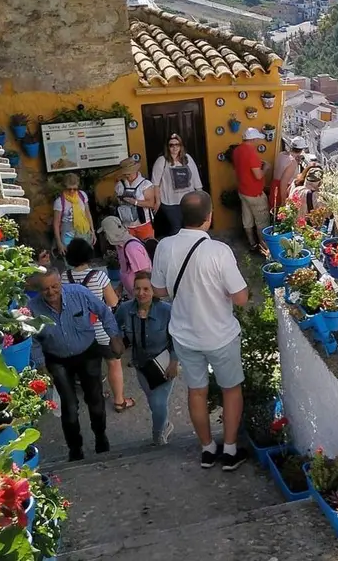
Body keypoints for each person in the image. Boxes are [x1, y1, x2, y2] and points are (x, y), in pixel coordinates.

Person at [151, 190, 251, 471]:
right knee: (231, 389)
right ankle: (230, 451)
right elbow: (241, 297)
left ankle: (207, 450)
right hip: (220, 334)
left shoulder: (164, 247)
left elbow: (158, 290)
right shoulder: (218, 251)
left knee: (196, 391)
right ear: (209, 217)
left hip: (184, 335)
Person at [28, 268, 123, 461]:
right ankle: (75, 448)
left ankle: (100, 437)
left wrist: (114, 336)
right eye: (46, 289)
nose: (51, 292)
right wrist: (40, 366)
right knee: (69, 407)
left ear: (60, 283)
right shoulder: (33, 308)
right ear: (39, 290)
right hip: (57, 359)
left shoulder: (79, 293)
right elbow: (33, 339)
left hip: (87, 353)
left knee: (95, 400)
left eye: (55, 286)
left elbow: (104, 311)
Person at [63, 237, 134, 413]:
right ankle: (119, 401)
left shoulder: (64, 277)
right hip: (102, 331)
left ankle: (96, 397)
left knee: (90, 367)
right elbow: (111, 302)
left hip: (79, 333)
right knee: (113, 363)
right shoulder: (99, 276)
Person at [114, 272, 178, 446]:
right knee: (153, 401)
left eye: (146, 289)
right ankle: (165, 424)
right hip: (141, 365)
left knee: (158, 403)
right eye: (137, 288)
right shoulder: (126, 309)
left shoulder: (167, 311)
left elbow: (178, 337)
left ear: (154, 290)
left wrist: (174, 361)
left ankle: (158, 437)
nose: (141, 293)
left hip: (163, 364)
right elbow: (114, 325)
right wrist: (118, 340)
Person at [151, 133, 203, 239]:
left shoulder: (187, 159)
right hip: (170, 203)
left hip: (188, 202)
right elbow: (155, 183)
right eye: (171, 145)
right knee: (176, 230)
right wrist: (157, 201)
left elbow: (196, 178)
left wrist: (201, 197)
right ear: (167, 147)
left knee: (190, 229)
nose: (174, 147)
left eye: (177, 144)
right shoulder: (162, 161)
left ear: (181, 146)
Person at [232, 128, 271, 251]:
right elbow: (258, 175)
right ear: (253, 139)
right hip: (255, 194)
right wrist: (266, 167)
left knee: (247, 219)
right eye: (257, 139)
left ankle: (252, 243)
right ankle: (264, 248)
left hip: (243, 191)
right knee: (262, 222)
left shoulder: (237, 150)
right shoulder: (251, 153)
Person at [100, 216, 152, 299]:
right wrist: (121, 286)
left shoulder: (131, 248)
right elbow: (126, 270)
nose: (105, 237)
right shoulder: (120, 245)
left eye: (105, 233)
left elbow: (144, 274)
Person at [114, 157, 158, 241]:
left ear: (135, 171)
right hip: (126, 225)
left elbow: (151, 204)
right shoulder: (120, 185)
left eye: (129, 173)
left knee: (148, 248)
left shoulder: (145, 184)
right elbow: (117, 200)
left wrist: (135, 202)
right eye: (125, 174)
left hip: (143, 224)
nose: (127, 176)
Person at [52, 173, 95, 257]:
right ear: (64, 188)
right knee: (71, 257)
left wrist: (92, 231)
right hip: (68, 232)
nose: (72, 191)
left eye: (74, 189)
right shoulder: (59, 202)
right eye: (69, 189)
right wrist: (59, 243)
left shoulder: (82, 195)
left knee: (85, 257)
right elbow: (56, 224)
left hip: (83, 230)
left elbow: (87, 213)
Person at [271, 136, 306, 213]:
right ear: (301, 150)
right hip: (282, 190)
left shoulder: (281, 154)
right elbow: (283, 182)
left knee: (273, 211)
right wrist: (284, 201)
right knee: (280, 213)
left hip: (274, 186)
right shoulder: (292, 162)